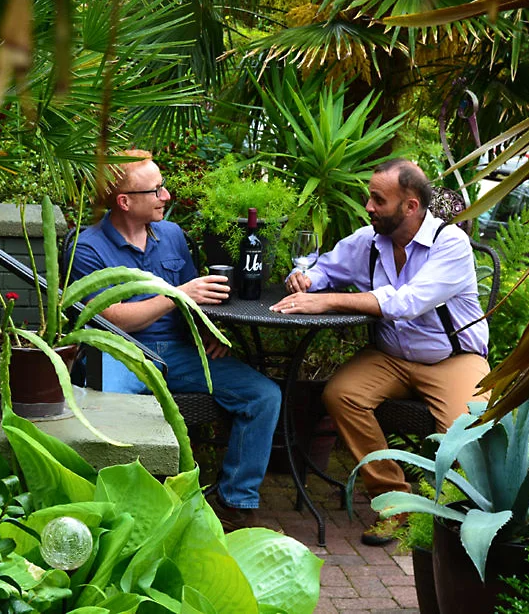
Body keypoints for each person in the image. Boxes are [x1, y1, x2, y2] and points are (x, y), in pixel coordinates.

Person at [270, 158, 489, 545]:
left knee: (463, 431)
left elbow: (408, 301)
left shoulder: (450, 244)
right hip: (390, 358)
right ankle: (395, 504)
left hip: (453, 359)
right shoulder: (368, 241)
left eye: (378, 200)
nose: (368, 207)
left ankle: (458, 516)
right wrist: (306, 279)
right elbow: (325, 269)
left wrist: (328, 301)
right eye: (369, 198)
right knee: (341, 395)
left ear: (411, 206)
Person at [67, 150, 281, 530]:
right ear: (124, 202)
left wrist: (209, 331)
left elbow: (194, 301)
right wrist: (177, 294)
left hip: (179, 352)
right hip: (116, 351)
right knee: (105, 410)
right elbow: (110, 318)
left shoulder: (171, 235)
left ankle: (235, 502)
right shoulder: (87, 248)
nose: (166, 196)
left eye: (163, 187)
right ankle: (112, 511)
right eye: (156, 190)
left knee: (263, 395)